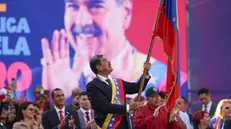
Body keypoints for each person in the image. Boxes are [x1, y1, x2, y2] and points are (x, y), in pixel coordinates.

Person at [21, 0, 187, 103]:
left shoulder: (170, 79)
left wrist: (145, 73)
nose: (83, 20)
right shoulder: (34, 80)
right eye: (73, 6)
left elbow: (135, 87)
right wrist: (61, 97)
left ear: (126, 13)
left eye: (96, 5)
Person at [86, 55, 151, 129]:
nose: (109, 62)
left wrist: (145, 73)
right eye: (104, 60)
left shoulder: (117, 82)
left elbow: (137, 88)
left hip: (123, 125)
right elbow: (105, 107)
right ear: (99, 67)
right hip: (107, 126)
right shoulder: (93, 86)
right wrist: (129, 107)